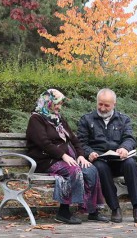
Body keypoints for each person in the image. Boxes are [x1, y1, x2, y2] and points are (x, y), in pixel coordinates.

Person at [26, 89, 108, 224]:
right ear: (48, 102)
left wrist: (81, 156)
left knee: (91, 169)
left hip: (66, 157)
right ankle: (63, 212)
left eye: (60, 104)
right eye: (56, 103)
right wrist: (63, 155)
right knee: (73, 170)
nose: (59, 107)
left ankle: (92, 211)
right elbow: (44, 143)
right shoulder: (36, 119)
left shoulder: (58, 119)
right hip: (46, 160)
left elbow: (74, 140)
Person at [76, 88, 137, 223]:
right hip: (99, 159)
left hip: (118, 159)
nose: (102, 108)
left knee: (131, 163)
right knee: (101, 168)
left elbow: (130, 138)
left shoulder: (123, 119)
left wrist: (125, 148)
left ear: (114, 104)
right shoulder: (86, 119)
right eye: (100, 104)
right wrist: (89, 152)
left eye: (106, 105)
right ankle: (115, 208)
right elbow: (81, 143)